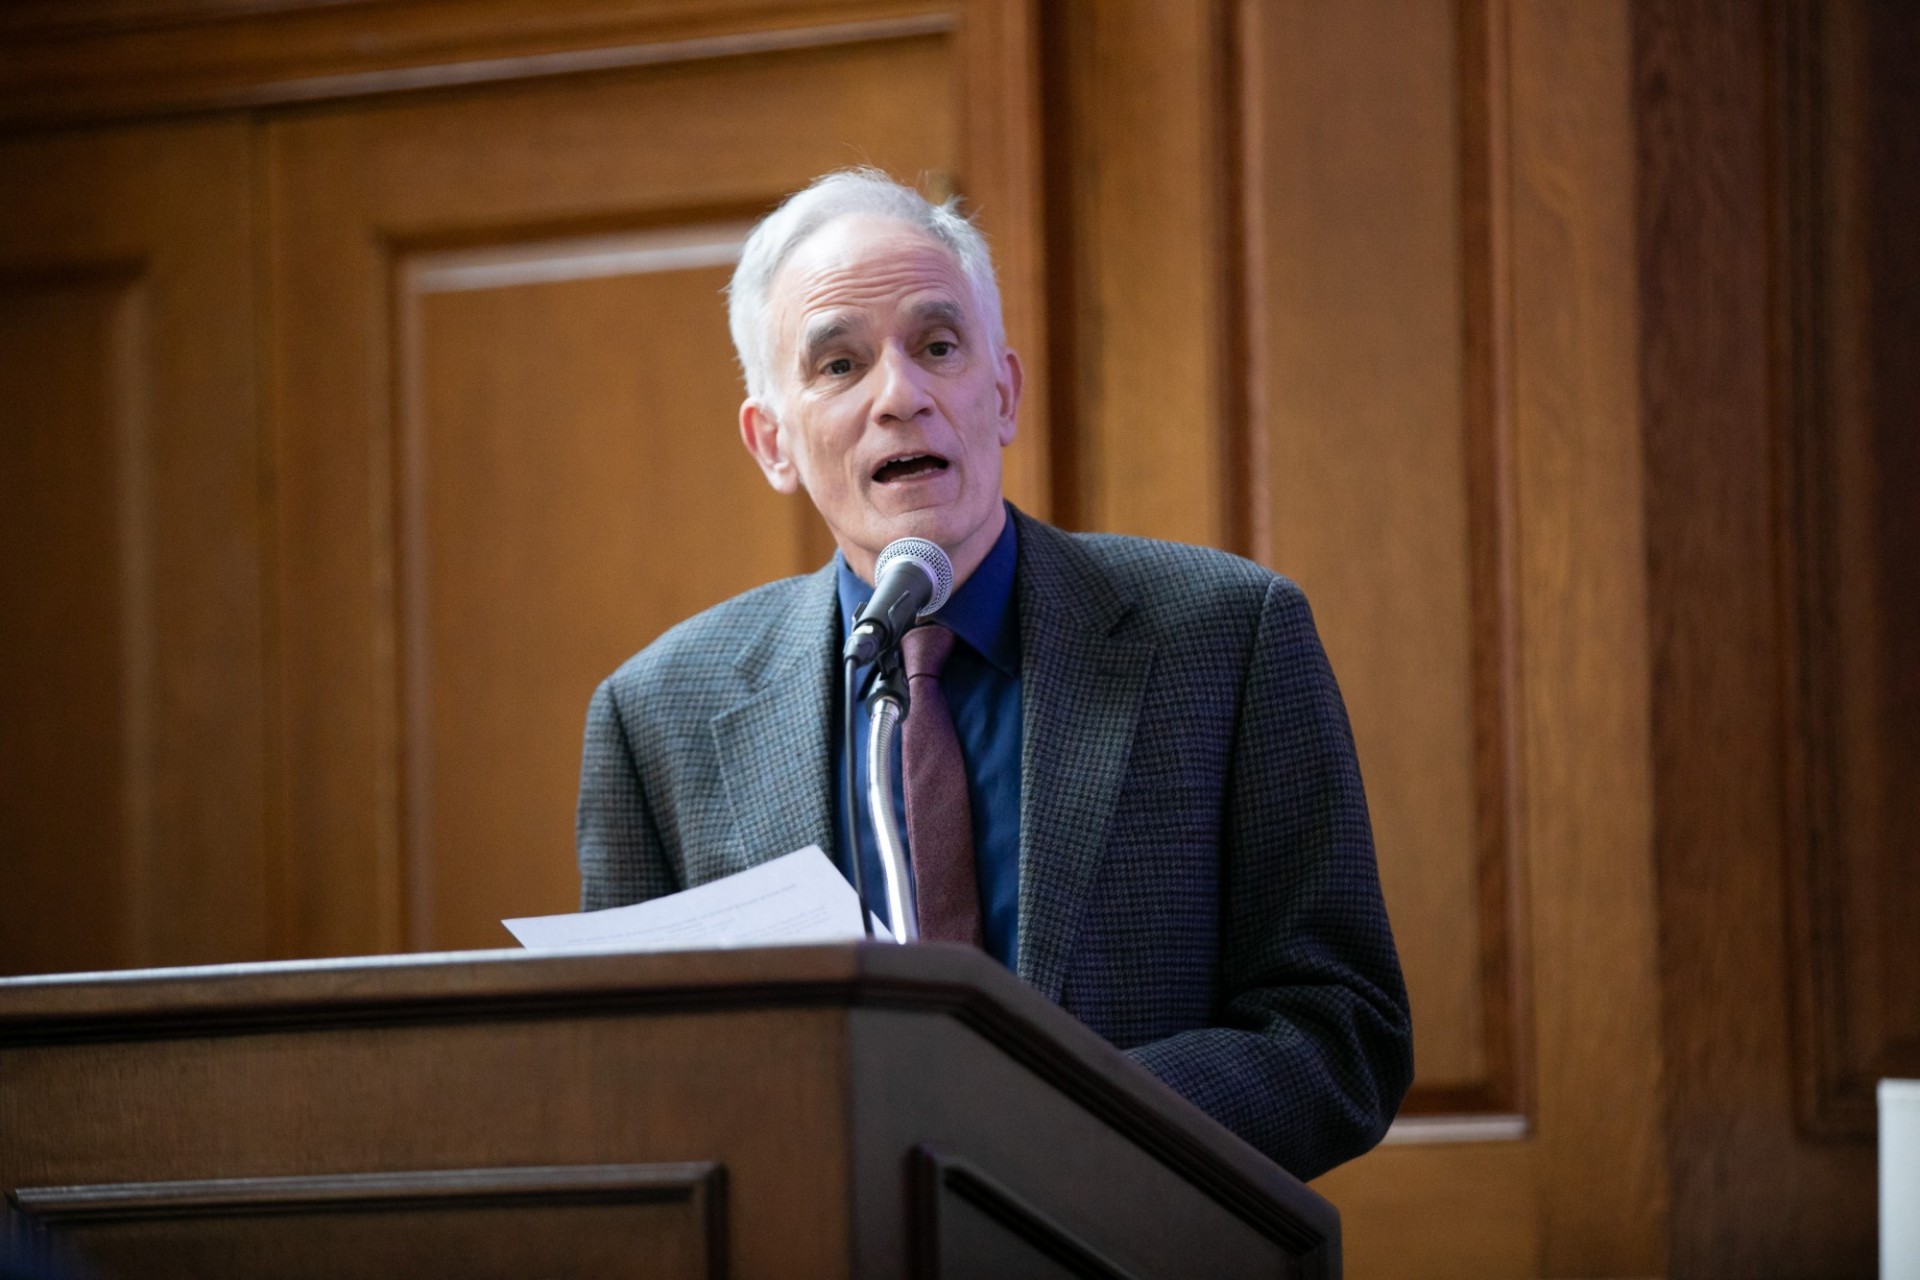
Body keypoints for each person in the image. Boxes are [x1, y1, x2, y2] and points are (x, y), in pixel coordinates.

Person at [575, 168, 1412, 1179]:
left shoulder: (1227, 636)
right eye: (839, 364)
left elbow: (1340, 1030)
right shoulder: (656, 714)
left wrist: (1053, 1125)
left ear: (1003, 391)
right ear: (772, 442)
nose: (901, 395)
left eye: (937, 346)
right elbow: (629, 1081)